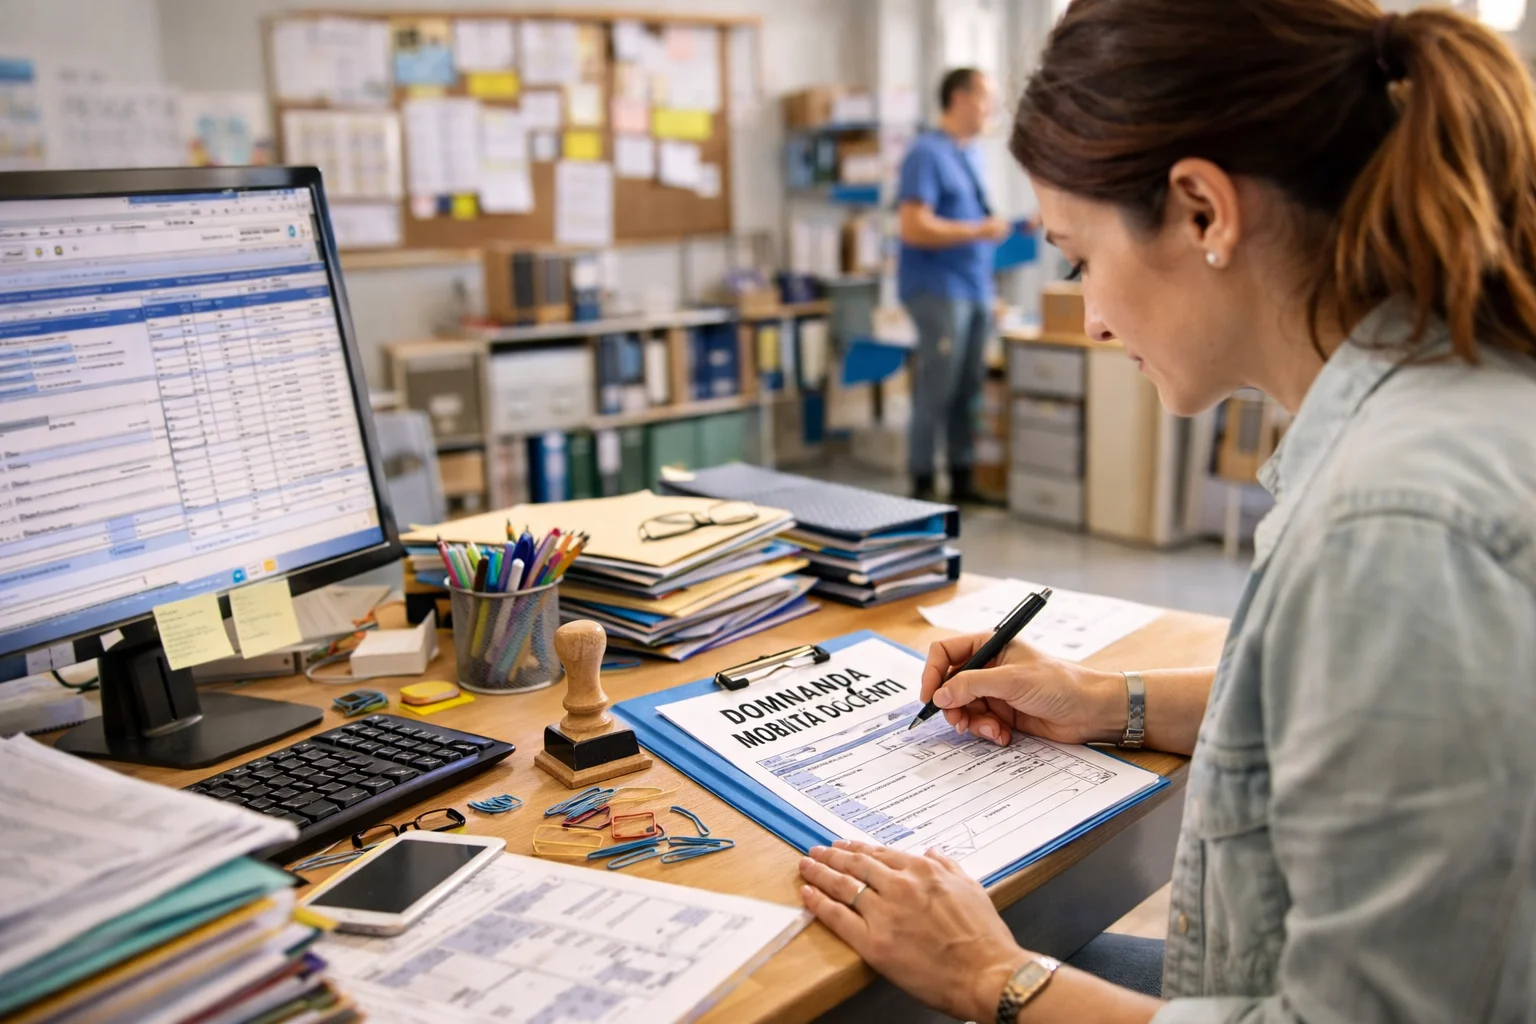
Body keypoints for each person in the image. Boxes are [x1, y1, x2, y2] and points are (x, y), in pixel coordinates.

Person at [797, 1, 1536, 1021]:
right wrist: (1099, 698)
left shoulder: (1396, 527)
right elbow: (1311, 707)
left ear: (1202, 210)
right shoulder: (1438, 397)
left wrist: (989, 978)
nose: (1092, 314)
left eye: (1078, 256)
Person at [896, 67, 1014, 503]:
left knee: (970, 387)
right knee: (937, 387)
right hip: (937, 287)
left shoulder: (972, 154)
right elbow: (913, 226)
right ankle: (922, 481)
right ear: (959, 98)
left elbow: (977, 223)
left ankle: (963, 478)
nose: (992, 108)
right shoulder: (926, 153)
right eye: (986, 98)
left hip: (974, 286)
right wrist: (976, 231)